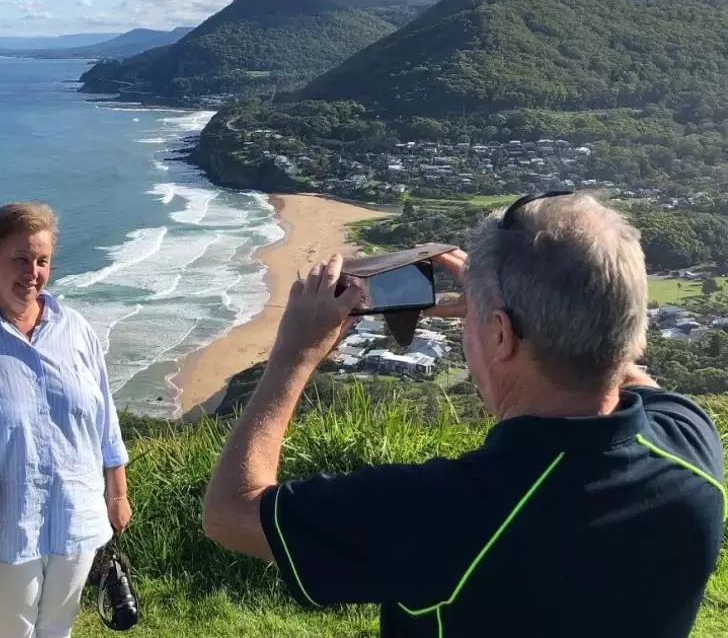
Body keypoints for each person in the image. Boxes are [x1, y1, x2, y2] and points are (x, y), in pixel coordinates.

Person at [202, 191, 726, 638]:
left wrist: (294, 353)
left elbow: (230, 513)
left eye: (476, 322)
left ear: (500, 336)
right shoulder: (691, 448)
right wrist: (513, 302)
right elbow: (624, 367)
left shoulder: (445, 513)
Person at [0, 201, 132, 638]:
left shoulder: (76, 328)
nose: (32, 272)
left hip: (77, 512)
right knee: (11, 630)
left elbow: (104, 415)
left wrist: (116, 493)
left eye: (42, 261)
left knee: (58, 628)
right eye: (20, 259)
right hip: (5, 523)